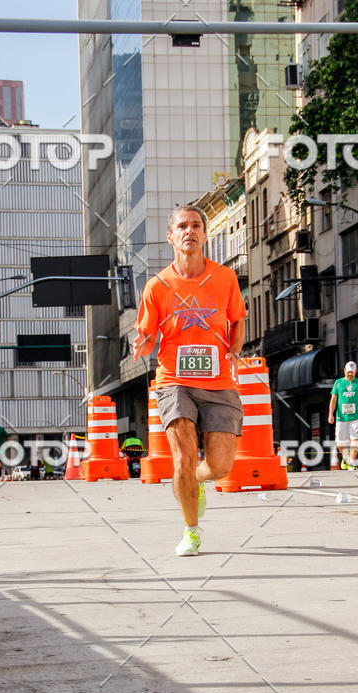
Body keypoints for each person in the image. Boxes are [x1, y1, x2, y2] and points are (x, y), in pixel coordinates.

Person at [133, 203, 246, 556]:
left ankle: (195, 481)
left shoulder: (225, 278)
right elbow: (148, 335)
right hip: (173, 380)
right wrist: (142, 343)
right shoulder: (158, 286)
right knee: (182, 457)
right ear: (171, 236)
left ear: (205, 234)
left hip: (218, 381)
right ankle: (191, 531)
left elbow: (238, 320)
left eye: (196, 225)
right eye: (182, 226)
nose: (190, 231)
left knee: (219, 466)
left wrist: (234, 350)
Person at [328, 361, 358, 470]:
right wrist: (330, 414)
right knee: (341, 444)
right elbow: (333, 399)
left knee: (355, 440)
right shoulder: (338, 383)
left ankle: (351, 463)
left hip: (355, 417)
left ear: (355, 371)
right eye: (348, 372)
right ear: (344, 371)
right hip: (341, 417)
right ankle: (345, 459)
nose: (350, 374)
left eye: (352, 372)